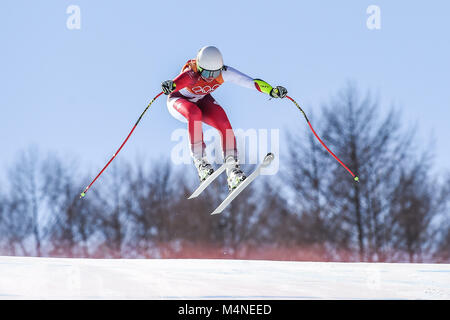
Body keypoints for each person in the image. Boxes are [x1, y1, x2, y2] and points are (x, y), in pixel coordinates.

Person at [161, 45, 287, 191]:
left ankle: (233, 170)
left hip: (201, 100)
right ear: (200, 68)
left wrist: (272, 91)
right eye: (207, 73)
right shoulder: (191, 73)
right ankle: (201, 162)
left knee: (223, 121)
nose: (210, 78)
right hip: (179, 101)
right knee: (194, 113)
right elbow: (177, 83)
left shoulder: (224, 72)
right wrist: (171, 85)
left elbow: (251, 82)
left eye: (214, 74)